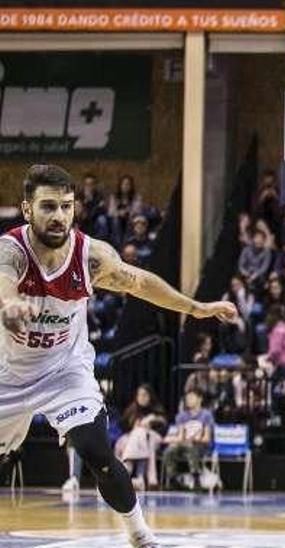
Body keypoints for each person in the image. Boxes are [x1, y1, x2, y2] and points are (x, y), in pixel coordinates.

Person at [0, 165, 238, 547]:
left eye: (66, 206)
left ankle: (139, 534)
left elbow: (140, 282)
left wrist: (195, 308)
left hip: (65, 371)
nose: (59, 215)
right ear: (26, 209)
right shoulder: (11, 250)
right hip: (8, 373)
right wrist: (10, 305)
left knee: (97, 452)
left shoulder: (90, 255)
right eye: (48, 206)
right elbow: (5, 282)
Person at [161, 389, 214, 490]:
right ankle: (173, 479)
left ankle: (196, 478)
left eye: (191, 397)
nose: (188, 400)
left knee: (191, 447)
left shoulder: (206, 415)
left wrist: (195, 439)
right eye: (187, 398)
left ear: (200, 399)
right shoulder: (181, 416)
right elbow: (181, 436)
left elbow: (207, 438)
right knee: (169, 450)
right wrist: (170, 440)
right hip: (184, 443)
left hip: (200, 445)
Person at [117, 384, 167, 489]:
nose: (141, 398)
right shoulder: (132, 409)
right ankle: (144, 478)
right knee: (127, 440)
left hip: (154, 438)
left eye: (144, 395)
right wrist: (134, 426)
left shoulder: (157, 410)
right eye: (139, 395)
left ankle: (127, 470)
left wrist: (151, 423)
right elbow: (123, 426)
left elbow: (163, 430)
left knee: (143, 436)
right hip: (134, 438)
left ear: (150, 396)